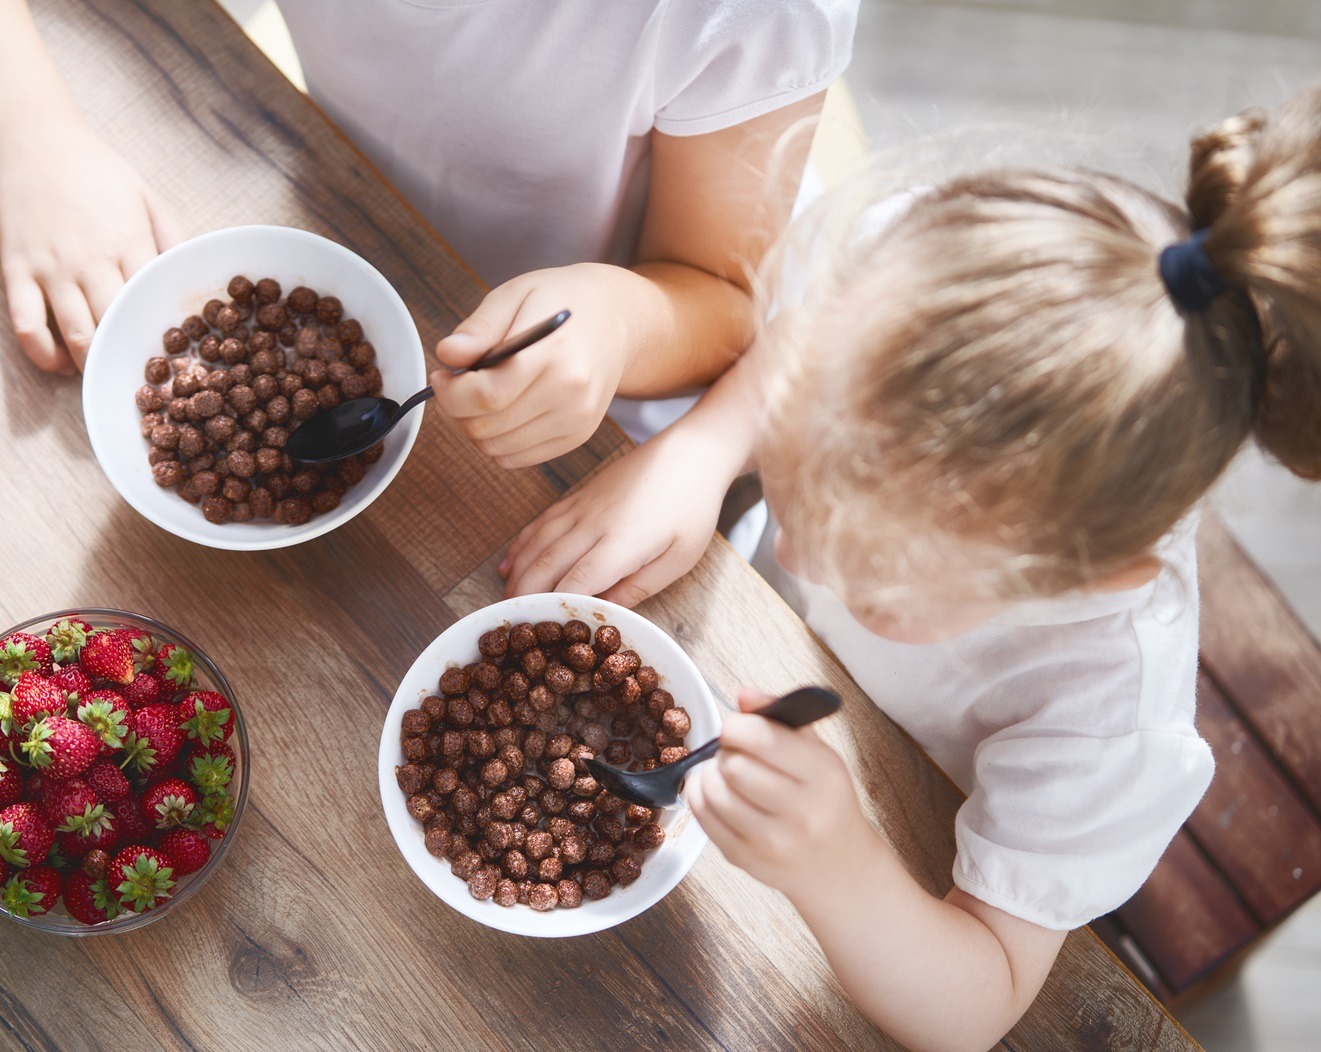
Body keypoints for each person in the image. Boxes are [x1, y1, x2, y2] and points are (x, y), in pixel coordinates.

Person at [499, 86, 1321, 1050]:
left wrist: (838, 868)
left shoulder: (1104, 726)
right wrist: (706, 449)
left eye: (872, 577)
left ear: (1070, 580)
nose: (796, 552)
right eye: (802, 482)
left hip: (906, 831)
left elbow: (979, 1002)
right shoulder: (904, 275)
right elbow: (799, 344)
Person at [0, 0, 857, 464]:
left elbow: (724, 298)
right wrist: (30, 133)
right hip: (343, 209)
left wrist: (613, 318)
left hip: (599, 382)